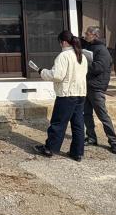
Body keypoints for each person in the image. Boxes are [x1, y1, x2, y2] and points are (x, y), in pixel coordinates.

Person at [34, 30, 88, 162]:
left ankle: (50, 148)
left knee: (58, 123)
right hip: (80, 93)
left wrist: (42, 71)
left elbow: (57, 75)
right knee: (78, 124)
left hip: (66, 94)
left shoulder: (63, 56)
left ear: (63, 42)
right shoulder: (81, 55)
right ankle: (77, 152)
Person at [82, 26, 116, 154]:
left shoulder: (102, 50)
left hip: (97, 87)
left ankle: (113, 142)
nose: (85, 35)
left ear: (95, 35)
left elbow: (98, 67)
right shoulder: (90, 46)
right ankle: (91, 137)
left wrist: (84, 64)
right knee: (86, 114)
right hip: (88, 85)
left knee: (103, 115)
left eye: (87, 33)